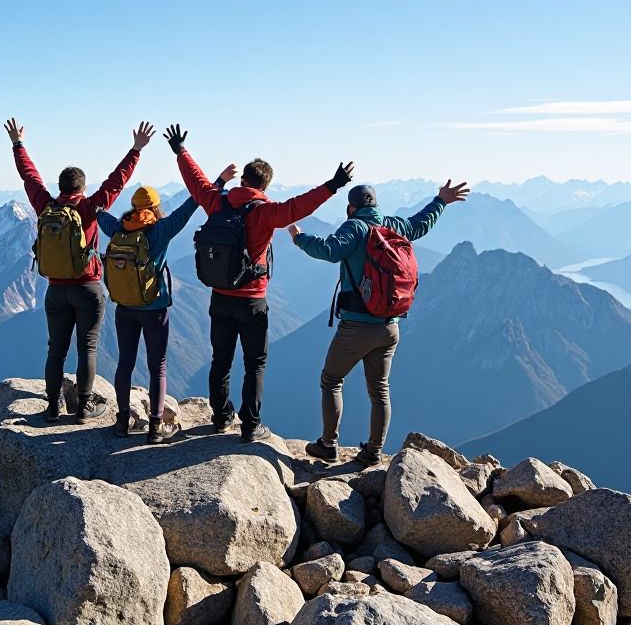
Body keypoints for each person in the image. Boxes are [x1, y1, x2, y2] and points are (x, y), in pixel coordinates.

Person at [164, 122, 355, 443]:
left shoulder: (217, 201)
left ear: (242, 180)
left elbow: (196, 182)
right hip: (252, 301)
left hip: (220, 296)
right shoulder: (266, 211)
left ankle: (221, 418)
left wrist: (181, 151)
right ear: (265, 185)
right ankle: (250, 426)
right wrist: (333, 185)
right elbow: (300, 205)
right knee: (254, 364)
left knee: (220, 360)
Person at [287, 179, 469, 466]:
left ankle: (328, 445)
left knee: (331, 381)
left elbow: (330, 250)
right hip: (389, 326)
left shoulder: (354, 227)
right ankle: (373, 452)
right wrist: (440, 201)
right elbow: (420, 224)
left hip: (357, 326)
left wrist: (300, 238)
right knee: (380, 391)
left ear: (351, 208)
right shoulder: (393, 225)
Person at [4, 116, 155, 423]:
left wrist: (18, 144)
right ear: (83, 189)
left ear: (60, 187)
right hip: (87, 288)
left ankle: (52, 406)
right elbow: (116, 181)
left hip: (55, 291)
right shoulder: (88, 207)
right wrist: (136, 149)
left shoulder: (45, 206)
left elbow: (30, 178)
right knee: (87, 347)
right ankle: (84, 407)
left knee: (56, 349)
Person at [97, 162, 238, 444]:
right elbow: (192, 203)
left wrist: (95, 205)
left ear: (134, 206)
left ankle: (122, 420)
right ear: (155, 207)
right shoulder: (162, 229)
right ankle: (155, 426)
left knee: (125, 362)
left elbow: (99, 213)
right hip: (154, 307)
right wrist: (220, 181)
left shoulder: (118, 228)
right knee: (157, 366)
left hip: (124, 307)